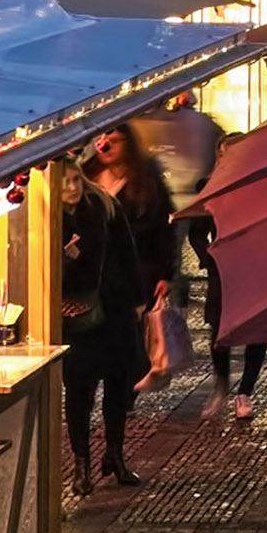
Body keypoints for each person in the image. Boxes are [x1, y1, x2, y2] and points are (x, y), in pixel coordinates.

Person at [57, 130, 175, 497]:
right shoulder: (49, 221)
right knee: (79, 393)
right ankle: (81, 464)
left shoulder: (104, 206)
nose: (73, 187)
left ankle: (114, 454)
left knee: (118, 386)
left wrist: (143, 296)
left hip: (115, 308)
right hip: (76, 317)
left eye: (77, 180)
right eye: (67, 182)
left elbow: (128, 252)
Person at [134, 89, 228, 331]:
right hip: (195, 199)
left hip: (175, 200)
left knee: (171, 257)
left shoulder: (156, 123)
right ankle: (178, 309)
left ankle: (173, 312)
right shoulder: (203, 123)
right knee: (176, 256)